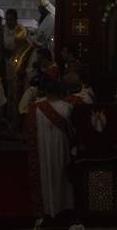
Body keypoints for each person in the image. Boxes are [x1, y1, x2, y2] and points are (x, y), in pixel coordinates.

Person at [28, 81, 74, 218]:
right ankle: (64, 205)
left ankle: (47, 206)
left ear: (46, 92)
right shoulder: (67, 107)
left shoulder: (35, 108)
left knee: (45, 175)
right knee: (61, 175)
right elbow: (72, 132)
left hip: (42, 149)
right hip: (61, 148)